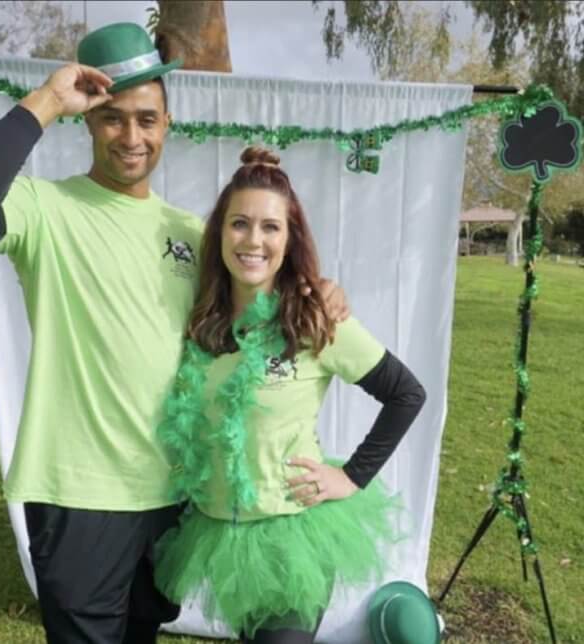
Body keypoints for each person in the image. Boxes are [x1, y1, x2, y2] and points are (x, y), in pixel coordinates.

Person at [0, 23, 349, 644]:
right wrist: (47, 100)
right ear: (89, 122)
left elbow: (255, 299)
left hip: (172, 492)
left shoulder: (191, 234)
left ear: (168, 124)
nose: (131, 136)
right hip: (80, 492)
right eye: (112, 118)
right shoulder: (45, 209)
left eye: (146, 120)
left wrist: (319, 291)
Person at [153, 147, 427, 644]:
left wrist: (352, 476)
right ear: (219, 234)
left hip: (292, 535)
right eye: (239, 224)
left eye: (270, 227)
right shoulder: (203, 324)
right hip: (223, 538)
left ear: (289, 238)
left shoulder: (312, 319)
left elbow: (406, 394)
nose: (253, 240)